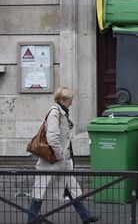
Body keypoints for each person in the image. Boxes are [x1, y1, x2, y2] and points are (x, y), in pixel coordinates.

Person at [27, 87, 100, 224]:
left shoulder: (62, 113)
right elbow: (53, 137)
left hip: (62, 162)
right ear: (62, 99)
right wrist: (60, 156)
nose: (71, 102)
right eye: (69, 99)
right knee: (40, 190)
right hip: (52, 161)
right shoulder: (55, 113)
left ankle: (86, 217)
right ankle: (31, 219)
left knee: (73, 188)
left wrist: (64, 159)